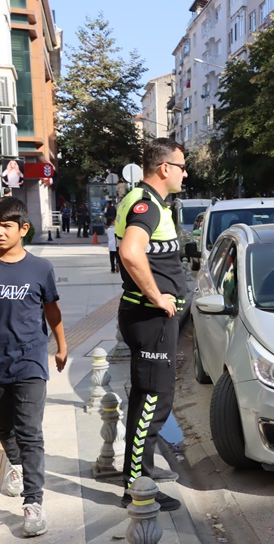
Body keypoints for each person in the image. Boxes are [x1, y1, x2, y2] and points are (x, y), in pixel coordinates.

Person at [0, 196, 67, 537]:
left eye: (6, 226)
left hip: (29, 358)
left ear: (23, 229)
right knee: (1, 423)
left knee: (30, 432)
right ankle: (15, 464)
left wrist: (62, 346)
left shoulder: (40, 268)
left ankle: (33, 504)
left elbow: (51, 309)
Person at [115, 137, 188, 511]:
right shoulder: (147, 205)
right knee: (154, 400)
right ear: (164, 168)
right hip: (150, 318)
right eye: (182, 167)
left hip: (147, 318)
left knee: (146, 397)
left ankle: (138, 469)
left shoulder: (148, 201)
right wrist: (158, 296)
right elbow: (130, 252)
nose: (185, 174)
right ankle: (137, 485)